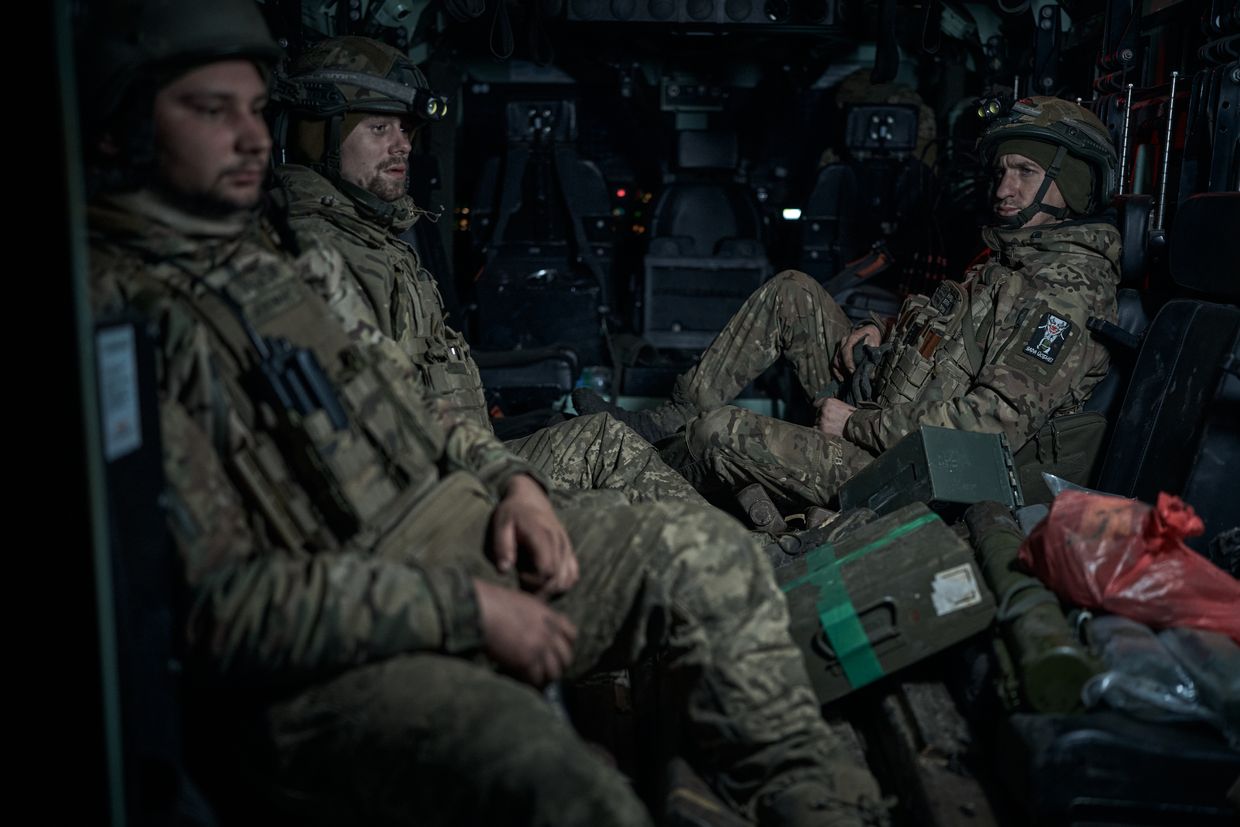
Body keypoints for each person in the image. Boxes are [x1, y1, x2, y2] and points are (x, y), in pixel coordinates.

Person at [80, 2, 884, 825]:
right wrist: (464, 610)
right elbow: (214, 612)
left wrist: (511, 482)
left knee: (709, 555)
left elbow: (407, 407)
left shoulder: (263, 267)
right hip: (345, 639)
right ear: (115, 128)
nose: (251, 138)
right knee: (564, 784)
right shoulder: (113, 323)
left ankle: (816, 801)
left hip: (443, 527)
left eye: (255, 110)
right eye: (213, 111)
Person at [576, 96, 1121, 512]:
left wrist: (856, 426)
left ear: (1068, 184)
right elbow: (951, 334)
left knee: (720, 432)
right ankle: (672, 416)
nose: (1005, 187)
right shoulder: (1011, 258)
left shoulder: (1065, 294)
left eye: (1025, 172)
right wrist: (881, 330)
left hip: (916, 472)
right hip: (885, 413)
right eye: (1003, 171)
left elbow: (987, 431)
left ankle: (632, 465)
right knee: (794, 292)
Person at [269, 36, 703, 507]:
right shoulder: (320, 253)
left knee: (623, 444)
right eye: (379, 129)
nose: (402, 147)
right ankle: (749, 561)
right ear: (319, 134)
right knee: (604, 444)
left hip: (464, 463)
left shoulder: (368, 241)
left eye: (405, 131)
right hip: (435, 490)